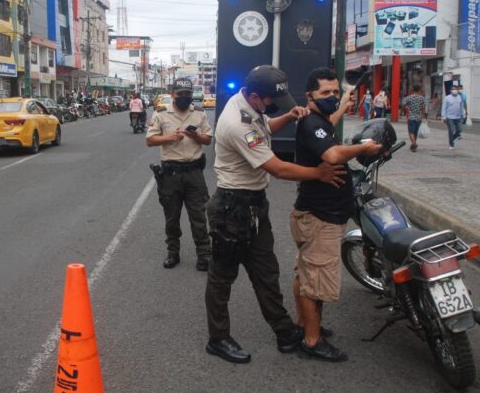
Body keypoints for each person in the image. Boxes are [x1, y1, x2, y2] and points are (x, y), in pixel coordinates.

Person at [204, 65, 346, 364]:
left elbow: (265, 127)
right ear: (256, 97)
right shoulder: (236, 123)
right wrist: (318, 173)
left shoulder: (249, 104)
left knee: (266, 273)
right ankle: (218, 338)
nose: (274, 107)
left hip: (254, 205)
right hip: (232, 208)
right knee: (222, 277)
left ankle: (284, 332)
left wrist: (287, 116)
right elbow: (278, 169)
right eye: (272, 103)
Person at [291, 67, 384, 362]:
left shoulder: (320, 120)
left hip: (320, 214)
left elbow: (329, 121)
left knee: (306, 273)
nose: (331, 97)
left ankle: (304, 324)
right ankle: (312, 340)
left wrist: (344, 101)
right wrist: (363, 148)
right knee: (314, 279)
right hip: (320, 217)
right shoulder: (309, 124)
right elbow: (331, 155)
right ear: (310, 96)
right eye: (325, 93)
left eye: (334, 92)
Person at [146, 78, 213, 271]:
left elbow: (208, 139)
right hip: (171, 174)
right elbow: (150, 140)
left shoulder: (199, 113)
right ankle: (173, 252)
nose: (184, 97)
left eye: (187, 94)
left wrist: (196, 136)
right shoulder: (161, 114)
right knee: (172, 216)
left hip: (194, 173)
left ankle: (204, 254)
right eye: (180, 93)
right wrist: (170, 137)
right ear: (173, 94)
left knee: (199, 215)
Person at [402, 85, 427, 152]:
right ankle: (414, 145)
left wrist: (406, 108)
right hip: (419, 117)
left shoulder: (409, 98)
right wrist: (424, 116)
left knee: (411, 132)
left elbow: (403, 104)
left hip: (411, 117)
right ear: (419, 90)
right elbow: (423, 108)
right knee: (416, 132)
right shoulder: (422, 98)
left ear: (412, 89)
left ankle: (413, 143)